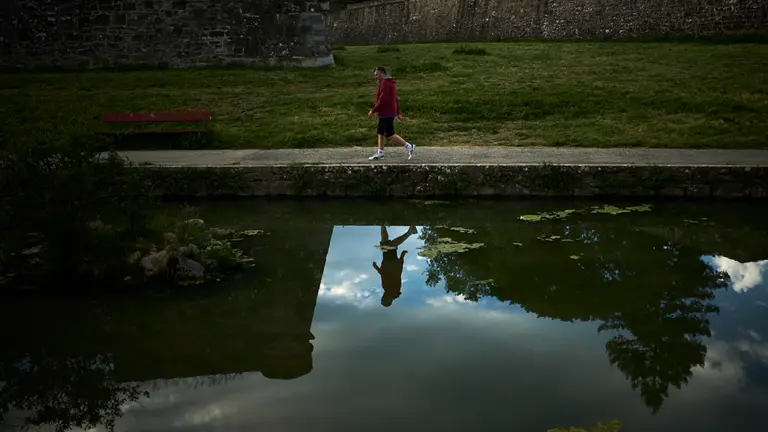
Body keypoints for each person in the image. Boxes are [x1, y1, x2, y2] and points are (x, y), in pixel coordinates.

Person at [367, 66, 415, 161]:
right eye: (375, 75)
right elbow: (395, 98)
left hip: (386, 112)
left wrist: (373, 110)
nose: (375, 77)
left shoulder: (385, 83)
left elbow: (382, 99)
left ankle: (409, 146)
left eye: (377, 75)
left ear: (382, 73)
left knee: (389, 134)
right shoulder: (390, 82)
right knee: (380, 132)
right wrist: (398, 112)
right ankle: (380, 152)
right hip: (388, 112)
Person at [373, 225, 418, 307]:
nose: (383, 296)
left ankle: (382, 224)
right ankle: (410, 232)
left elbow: (383, 274)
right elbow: (397, 274)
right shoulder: (393, 290)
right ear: (389, 299)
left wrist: (377, 267)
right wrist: (401, 257)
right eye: (384, 298)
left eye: (382, 298)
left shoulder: (387, 290)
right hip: (391, 263)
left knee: (385, 243)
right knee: (390, 245)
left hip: (387, 262)